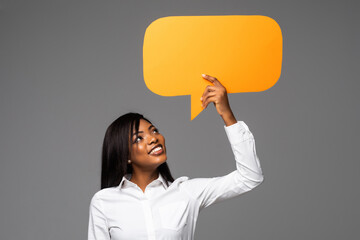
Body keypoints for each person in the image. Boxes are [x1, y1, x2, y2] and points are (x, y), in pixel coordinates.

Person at [87, 74, 264, 240]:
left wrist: (226, 114)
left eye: (154, 131)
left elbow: (249, 177)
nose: (153, 138)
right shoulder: (104, 202)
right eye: (139, 138)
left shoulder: (186, 192)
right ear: (125, 155)